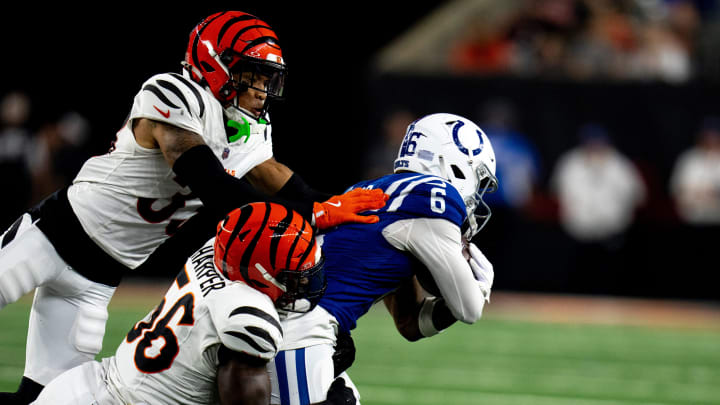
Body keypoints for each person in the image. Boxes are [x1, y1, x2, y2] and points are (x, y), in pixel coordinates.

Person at [0, 11, 386, 404]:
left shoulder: (247, 125)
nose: (261, 88)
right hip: (52, 234)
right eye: (252, 74)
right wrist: (312, 214)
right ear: (216, 65)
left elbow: (271, 174)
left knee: (39, 398)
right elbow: (211, 184)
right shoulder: (172, 93)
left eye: (266, 77)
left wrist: (325, 205)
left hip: (98, 279)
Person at [267, 113, 498, 404]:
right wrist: (481, 284)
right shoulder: (435, 199)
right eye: (478, 180)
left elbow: (410, 323)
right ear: (453, 162)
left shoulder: (369, 190)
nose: (477, 195)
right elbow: (469, 309)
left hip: (291, 324)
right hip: (301, 332)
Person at [32, 202, 347, 404]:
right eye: (295, 277)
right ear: (260, 274)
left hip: (82, 386)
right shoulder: (248, 318)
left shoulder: (215, 250)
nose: (305, 283)